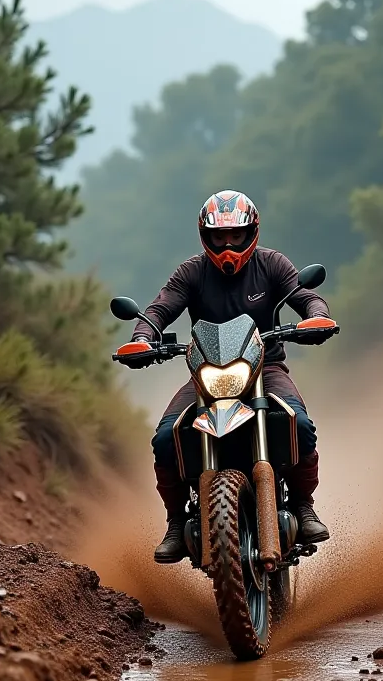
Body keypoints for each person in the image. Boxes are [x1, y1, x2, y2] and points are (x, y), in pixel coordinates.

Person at [130, 190, 336, 564]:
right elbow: (160, 308)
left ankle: (304, 507)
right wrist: (143, 338)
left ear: (251, 232)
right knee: (165, 438)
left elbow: (305, 296)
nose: (228, 245)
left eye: (236, 236)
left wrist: (316, 316)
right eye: (219, 236)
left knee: (300, 425)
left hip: (265, 369)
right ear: (205, 236)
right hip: (207, 375)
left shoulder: (272, 264)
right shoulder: (192, 272)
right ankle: (176, 522)